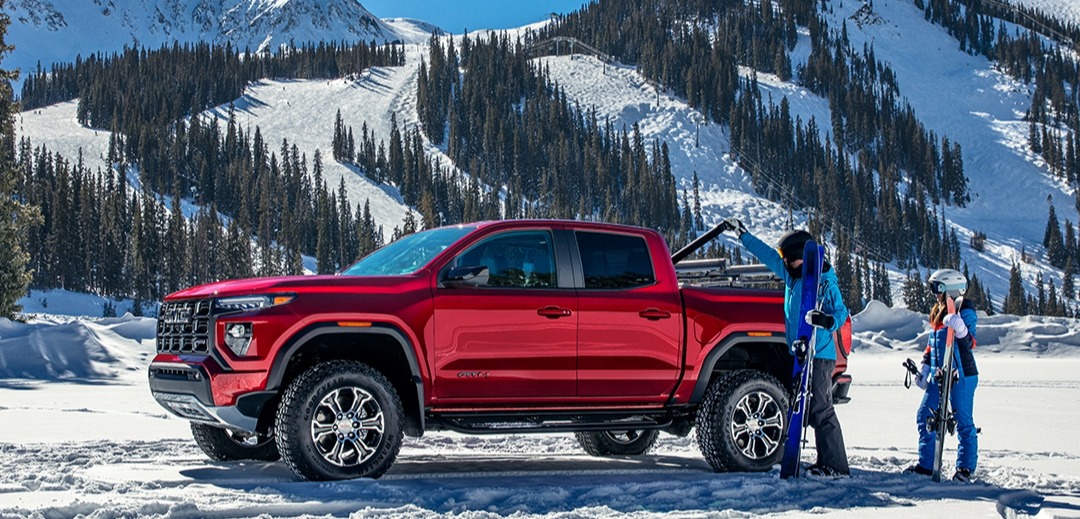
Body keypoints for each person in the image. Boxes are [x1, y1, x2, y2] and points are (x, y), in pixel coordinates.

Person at [724, 218, 851, 476]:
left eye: (789, 258)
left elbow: (840, 312)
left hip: (820, 355)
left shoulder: (824, 281)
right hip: (800, 352)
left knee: (820, 408)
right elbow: (768, 256)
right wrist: (743, 235)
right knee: (799, 406)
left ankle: (836, 465)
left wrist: (826, 320)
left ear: (800, 256)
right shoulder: (792, 277)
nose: (785, 263)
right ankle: (808, 458)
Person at [905, 268, 979, 483]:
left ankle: (965, 469)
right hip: (940, 374)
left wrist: (961, 329)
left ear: (951, 288)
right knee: (924, 416)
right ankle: (926, 465)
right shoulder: (938, 311)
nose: (934, 294)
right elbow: (933, 345)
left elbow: (970, 343)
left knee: (963, 420)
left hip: (962, 374)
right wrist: (925, 368)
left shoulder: (965, 310)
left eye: (937, 288)